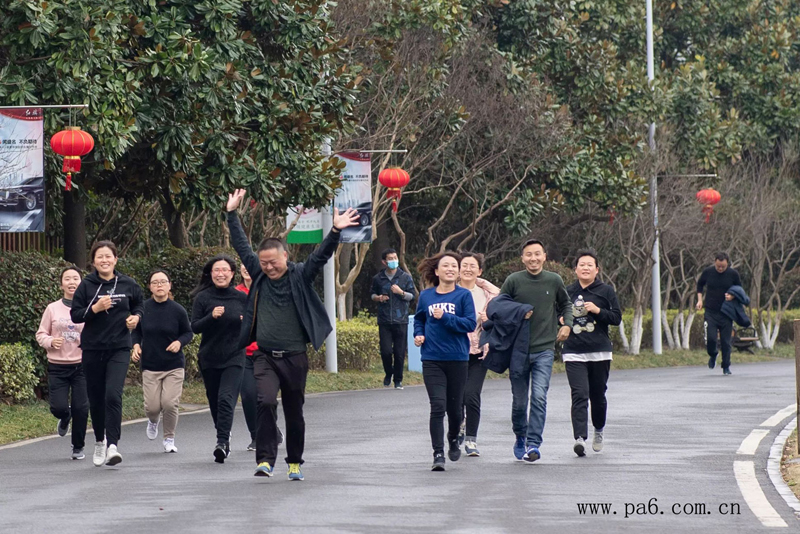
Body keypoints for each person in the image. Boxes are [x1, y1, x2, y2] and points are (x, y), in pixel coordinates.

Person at [226, 188, 359, 480]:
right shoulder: (258, 274)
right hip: (264, 356)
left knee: (294, 411)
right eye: (264, 263)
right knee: (265, 402)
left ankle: (295, 461)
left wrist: (335, 231)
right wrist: (232, 213)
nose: (269, 267)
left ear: (285, 256)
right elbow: (241, 246)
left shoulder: (300, 274)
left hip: (295, 357)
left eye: (274, 261)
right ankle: (265, 459)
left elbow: (320, 256)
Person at [71, 241, 144, 467]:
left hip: (119, 348)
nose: (104, 260)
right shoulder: (86, 285)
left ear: (115, 259)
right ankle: (100, 441)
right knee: (96, 398)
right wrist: (95, 308)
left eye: (108, 256)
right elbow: (76, 315)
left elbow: (140, 304)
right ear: (93, 262)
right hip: (93, 349)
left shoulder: (128, 283)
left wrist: (137, 317)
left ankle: (113, 445)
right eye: (99, 257)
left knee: (113, 394)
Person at [500, 239, 573, 463]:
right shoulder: (513, 281)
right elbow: (499, 306)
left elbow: (566, 305)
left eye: (537, 254)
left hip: (544, 349)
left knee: (539, 397)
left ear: (544, 256)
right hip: (518, 351)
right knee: (520, 402)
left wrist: (567, 324)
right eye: (528, 255)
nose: (533, 258)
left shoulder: (554, 280)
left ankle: (533, 443)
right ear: (522, 258)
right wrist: (519, 312)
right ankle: (520, 436)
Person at [414, 251, 476, 471]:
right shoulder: (427, 296)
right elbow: (420, 318)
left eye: (454, 266)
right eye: (446, 266)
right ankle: (438, 453)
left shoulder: (463, 296)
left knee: (455, 410)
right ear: (437, 271)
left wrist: (446, 317)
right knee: (437, 406)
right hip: (432, 358)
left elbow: (470, 324)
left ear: (458, 273)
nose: (450, 269)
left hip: (458, 359)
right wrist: (418, 334)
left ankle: (452, 438)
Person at [562, 250, 621, 457]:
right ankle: (579, 438)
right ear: (575, 269)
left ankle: (599, 429)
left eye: (590, 265)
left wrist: (597, 310)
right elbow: (557, 313)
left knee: (598, 396)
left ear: (597, 269)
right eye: (582, 265)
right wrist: (561, 320)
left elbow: (616, 318)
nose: (585, 268)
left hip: (599, 352)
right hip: (573, 351)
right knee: (579, 394)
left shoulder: (605, 291)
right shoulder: (567, 291)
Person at [190, 255, 247, 463]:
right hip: (210, 358)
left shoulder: (241, 298)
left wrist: (245, 322)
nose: (220, 274)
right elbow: (194, 327)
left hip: (234, 356)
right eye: (216, 270)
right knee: (215, 402)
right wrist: (211, 317)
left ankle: (222, 442)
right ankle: (224, 434)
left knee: (225, 399)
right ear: (211, 274)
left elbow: (253, 325)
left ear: (232, 274)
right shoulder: (203, 298)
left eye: (225, 270)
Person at [131, 270, 193, 453]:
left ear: (169, 285)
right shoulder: (143, 309)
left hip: (173, 365)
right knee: (152, 408)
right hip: (150, 365)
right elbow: (136, 331)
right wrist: (135, 346)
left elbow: (188, 333)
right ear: (150, 287)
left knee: (169, 403)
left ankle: (169, 438)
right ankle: (152, 421)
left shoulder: (177, 310)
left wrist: (179, 342)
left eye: (163, 282)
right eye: (155, 282)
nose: (159, 285)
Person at [36, 266, 88, 460]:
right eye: (67, 279)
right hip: (57, 366)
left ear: (82, 283)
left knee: (81, 407)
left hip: (82, 366)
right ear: (61, 284)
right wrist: (50, 341)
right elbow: (41, 333)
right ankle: (65, 417)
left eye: (76, 278)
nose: (72, 282)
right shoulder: (52, 308)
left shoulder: (88, 307)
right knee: (58, 407)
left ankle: (78, 447)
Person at [235, 264, 283, 452]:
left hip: (266, 352)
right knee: (248, 395)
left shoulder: (268, 290)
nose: (247, 269)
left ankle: (272, 429)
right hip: (243, 354)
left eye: (250, 266)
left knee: (266, 397)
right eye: (243, 266)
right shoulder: (235, 293)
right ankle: (256, 436)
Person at [456, 251, 499, 457]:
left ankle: (471, 439)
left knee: (471, 395)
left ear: (479, 271)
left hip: (479, 352)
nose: (467, 269)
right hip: (454, 351)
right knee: (456, 398)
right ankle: (458, 426)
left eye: (472, 266)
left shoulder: (490, 295)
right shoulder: (449, 291)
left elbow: (500, 320)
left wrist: (487, 318)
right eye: (464, 265)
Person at [371, 247, 417, 389]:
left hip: (401, 320)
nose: (393, 261)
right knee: (385, 351)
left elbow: (412, 296)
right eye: (390, 259)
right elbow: (372, 294)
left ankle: (398, 380)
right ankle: (388, 373)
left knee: (399, 352)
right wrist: (378, 298)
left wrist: (401, 292)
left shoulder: (405, 277)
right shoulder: (378, 279)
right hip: (384, 320)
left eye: (395, 258)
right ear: (384, 262)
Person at [696, 252, 741, 375]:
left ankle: (726, 366)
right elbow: (700, 285)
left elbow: (739, 290)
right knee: (711, 338)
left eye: (723, 266)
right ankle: (713, 354)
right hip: (710, 311)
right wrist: (700, 300)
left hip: (726, 313)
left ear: (727, 264)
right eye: (718, 266)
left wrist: (732, 296)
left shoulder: (733, 274)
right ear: (715, 262)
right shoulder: (708, 272)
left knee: (726, 342)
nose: (720, 269)